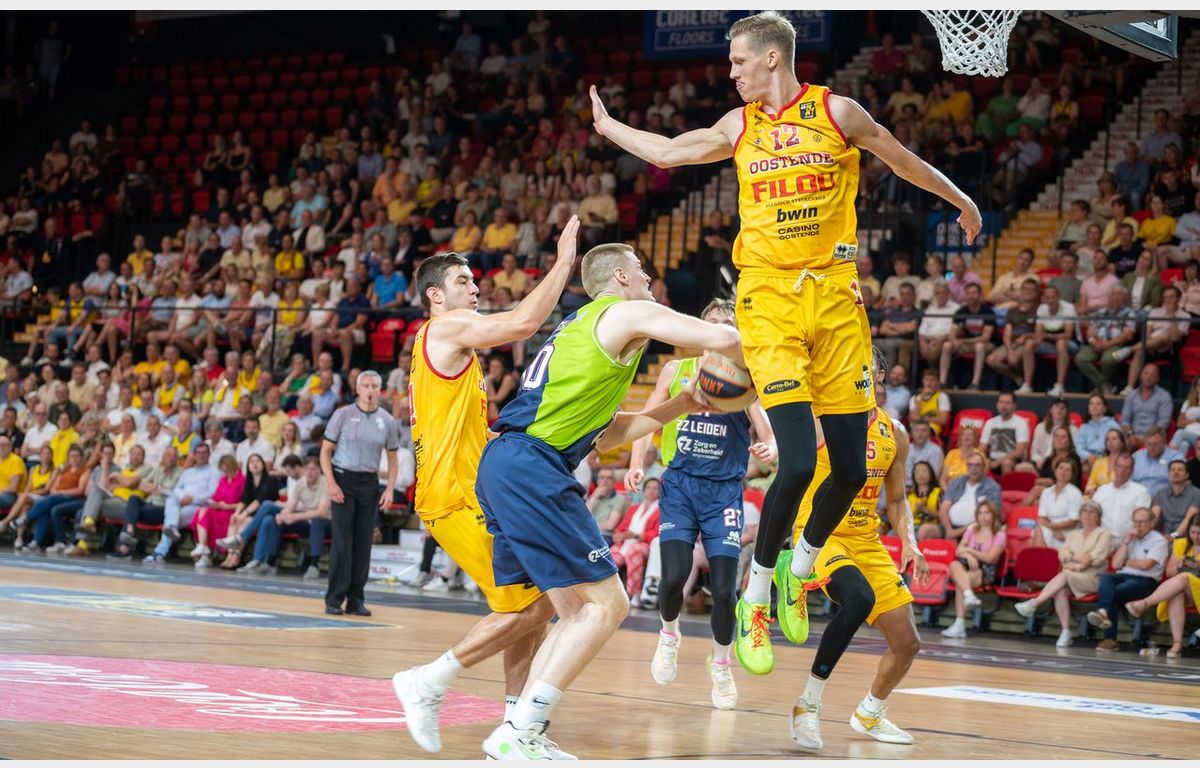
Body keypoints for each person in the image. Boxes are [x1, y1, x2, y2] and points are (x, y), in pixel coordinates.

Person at [590, 10, 981, 679]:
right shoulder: (738, 126)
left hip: (836, 299)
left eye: (739, 61)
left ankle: (801, 570)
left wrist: (961, 199)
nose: (732, 72)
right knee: (797, 463)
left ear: (772, 57)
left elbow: (902, 159)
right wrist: (610, 128)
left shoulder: (837, 113)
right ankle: (759, 593)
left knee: (850, 467)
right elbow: (671, 151)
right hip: (768, 300)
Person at [473, 240, 743, 758]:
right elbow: (720, 336)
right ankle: (510, 728)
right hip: (532, 465)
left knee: (574, 610)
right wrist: (778, 350)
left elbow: (608, 434)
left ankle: (520, 729)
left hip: (511, 461)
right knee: (607, 604)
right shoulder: (624, 312)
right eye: (639, 268)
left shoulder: (583, 329)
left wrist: (683, 403)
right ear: (619, 277)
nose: (648, 278)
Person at [391, 219, 583, 756]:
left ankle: (518, 726)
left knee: (531, 603)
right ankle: (427, 681)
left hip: (474, 492)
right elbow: (524, 322)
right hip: (453, 495)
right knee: (538, 605)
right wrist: (563, 264)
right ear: (435, 296)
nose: (475, 288)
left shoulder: (450, 343)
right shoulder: (446, 328)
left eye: (474, 281)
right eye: (463, 282)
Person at [628, 298, 776, 711]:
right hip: (680, 486)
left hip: (724, 492)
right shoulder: (677, 370)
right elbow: (649, 418)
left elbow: (768, 432)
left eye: (726, 324)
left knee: (726, 590)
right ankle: (668, 634)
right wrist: (637, 463)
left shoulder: (746, 378)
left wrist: (770, 447)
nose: (718, 331)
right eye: (711, 323)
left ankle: (722, 664)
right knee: (674, 575)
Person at [787, 353, 927, 749]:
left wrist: (910, 542)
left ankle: (870, 712)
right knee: (858, 598)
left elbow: (896, 501)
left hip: (866, 538)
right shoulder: (822, 417)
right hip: (820, 533)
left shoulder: (895, 432)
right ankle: (807, 705)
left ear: (878, 374)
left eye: (863, 363)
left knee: (907, 643)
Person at [320, 370, 399, 616]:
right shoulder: (342, 415)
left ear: (380, 390)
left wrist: (390, 489)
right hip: (344, 479)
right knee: (342, 543)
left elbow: (393, 458)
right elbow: (325, 451)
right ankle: (334, 599)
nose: (370, 390)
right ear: (357, 389)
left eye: (374, 386)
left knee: (364, 543)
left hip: (369, 482)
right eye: (365, 385)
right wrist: (331, 484)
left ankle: (356, 600)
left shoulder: (387, 421)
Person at [1013, 500, 1113, 648]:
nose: (1087, 515)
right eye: (1084, 511)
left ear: (1098, 517)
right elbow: (1062, 555)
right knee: (1060, 590)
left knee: (1064, 575)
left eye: (1092, 512)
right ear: (1080, 515)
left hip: (1093, 577)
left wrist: (1074, 558)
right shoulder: (1074, 534)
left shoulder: (1104, 534)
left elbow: (1095, 559)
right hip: (1072, 574)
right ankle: (1065, 632)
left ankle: (1035, 603)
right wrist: (1079, 561)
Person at [1087, 507, 1169, 651]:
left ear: (1151, 523)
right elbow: (1115, 564)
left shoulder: (1159, 540)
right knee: (1106, 577)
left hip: (1146, 580)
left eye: (1141, 522)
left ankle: (1110, 638)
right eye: (1135, 522)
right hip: (1124, 575)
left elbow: (1146, 565)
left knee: (1112, 593)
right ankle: (1103, 612)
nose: (1137, 526)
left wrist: (1125, 562)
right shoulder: (1130, 538)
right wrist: (1126, 543)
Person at [1125, 518, 1200, 658]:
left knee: (1184, 578)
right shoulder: (1181, 543)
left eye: (1199, 533)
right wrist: (1179, 566)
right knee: (1176, 592)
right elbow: (1169, 572)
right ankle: (1177, 644)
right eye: (1193, 532)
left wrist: (1196, 566)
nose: (1195, 537)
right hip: (1186, 590)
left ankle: (1145, 603)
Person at [940, 500, 1007, 639]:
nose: (983, 516)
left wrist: (970, 551)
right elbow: (958, 550)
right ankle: (969, 595)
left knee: (961, 582)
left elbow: (990, 558)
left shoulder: (1000, 535)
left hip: (985, 571)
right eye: (980, 513)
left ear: (993, 515)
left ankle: (959, 625)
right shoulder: (972, 530)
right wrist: (969, 556)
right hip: (966, 566)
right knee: (954, 565)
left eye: (987, 513)